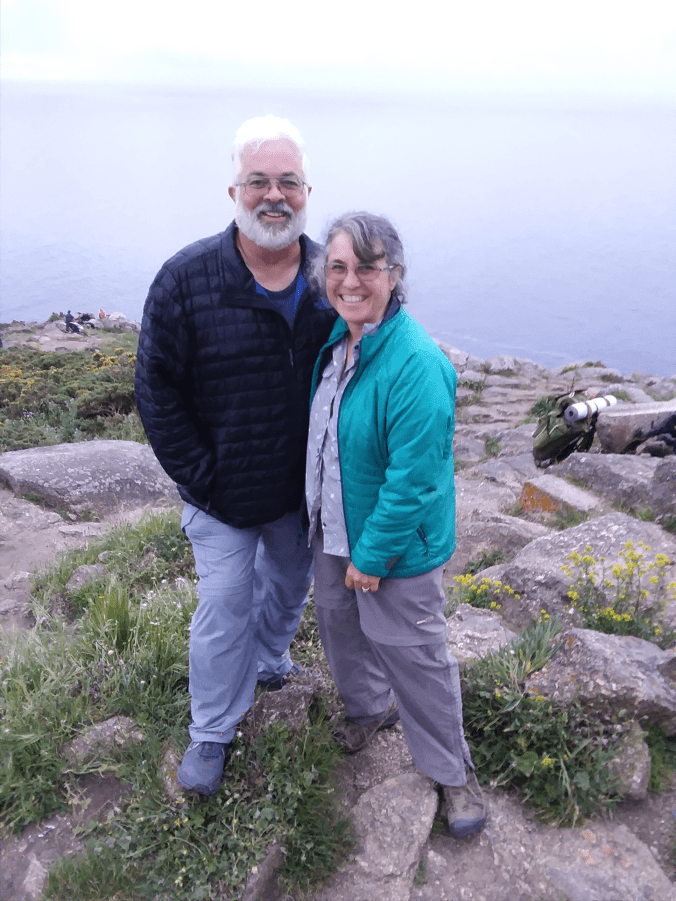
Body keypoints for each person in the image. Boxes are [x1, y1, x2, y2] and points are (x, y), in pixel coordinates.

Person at [135, 115, 336, 796]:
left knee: (288, 585)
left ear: (306, 191)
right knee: (225, 602)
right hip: (220, 494)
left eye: (288, 182)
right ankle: (212, 730)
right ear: (234, 191)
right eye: (259, 181)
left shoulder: (329, 279)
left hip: (297, 492)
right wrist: (202, 474)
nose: (274, 195)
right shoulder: (185, 279)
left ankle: (270, 657)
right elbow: (155, 386)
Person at [305, 211, 487, 839]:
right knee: (340, 629)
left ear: (394, 274)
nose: (350, 281)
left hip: (394, 546)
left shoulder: (416, 363)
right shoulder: (340, 341)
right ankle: (369, 710)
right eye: (338, 267)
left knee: (414, 654)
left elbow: (415, 480)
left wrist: (372, 556)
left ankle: (453, 772)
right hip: (333, 528)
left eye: (366, 267)